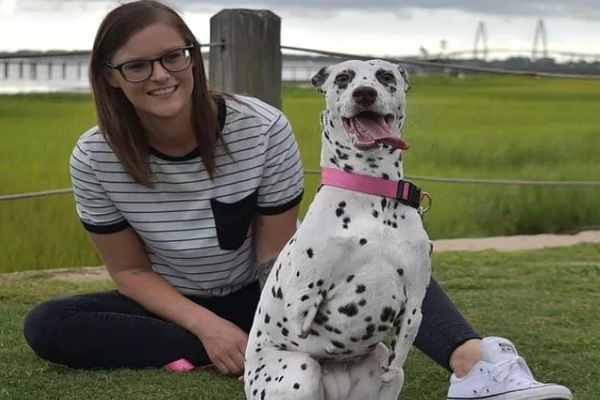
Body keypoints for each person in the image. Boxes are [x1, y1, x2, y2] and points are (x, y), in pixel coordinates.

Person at [22, 1, 572, 399]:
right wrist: (212, 330)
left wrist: (269, 336)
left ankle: (473, 363)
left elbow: (278, 254)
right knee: (47, 325)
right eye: (136, 65)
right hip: (169, 299)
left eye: (174, 56)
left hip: (272, 290)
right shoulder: (94, 156)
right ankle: (198, 346)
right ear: (110, 78)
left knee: (380, 248)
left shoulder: (261, 127)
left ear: (195, 56)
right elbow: (131, 272)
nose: (161, 75)